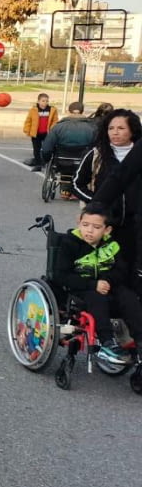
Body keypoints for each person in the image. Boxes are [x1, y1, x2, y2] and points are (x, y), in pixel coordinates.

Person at [54, 203, 142, 366]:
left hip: (107, 285)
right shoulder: (70, 244)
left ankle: (139, 340)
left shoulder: (112, 245)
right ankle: (107, 343)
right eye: (85, 225)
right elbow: (62, 275)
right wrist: (93, 284)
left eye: (96, 227)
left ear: (106, 230)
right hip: (81, 288)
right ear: (78, 222)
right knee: (97, 298)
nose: (89, 230)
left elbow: (121, 270)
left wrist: (107, 281)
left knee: (128, 296)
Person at [78, 109, 142, 274]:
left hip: (134, 224)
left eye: (121, 128)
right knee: (107, 269)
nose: (115, 132)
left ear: (132, 130)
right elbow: (77, 183)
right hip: (106, 224)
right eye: (111, 128)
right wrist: (94, 205)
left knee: (132, 267)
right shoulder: (97, 154)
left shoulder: (137, 154)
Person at [39, 101, 95, 167]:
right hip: (84, 162)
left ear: (68, 112)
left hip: (61, 161)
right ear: (83, 112)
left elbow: (46, 148)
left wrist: (46, 159)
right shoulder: (92, 128)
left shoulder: (58, 127)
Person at [23, 94, 58, 169]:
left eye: (46, 101)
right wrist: (27, 129)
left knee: (47, 149)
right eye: (43, 101)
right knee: (36, 149)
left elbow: (55, 121)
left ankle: (47, 162)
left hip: (47, 133)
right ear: (38, 101)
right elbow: (28, 120)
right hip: (36, 133)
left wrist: (52, 129)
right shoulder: (33, 110)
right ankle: (38, 163)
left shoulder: (52, 110)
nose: (45, 103)